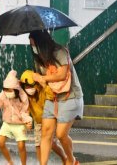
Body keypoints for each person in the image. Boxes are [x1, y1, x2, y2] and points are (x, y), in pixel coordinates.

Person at [29, 30, 84, 165]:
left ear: (41, 42)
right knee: (46, 134)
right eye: (31, 45)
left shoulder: (60, 52)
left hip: (70, 97)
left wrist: (42, 78)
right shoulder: (39, 58)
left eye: (34, 44)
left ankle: (71, 160)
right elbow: (42, 80)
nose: (33, 47)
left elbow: (61, 75)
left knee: (60, 135)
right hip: (51, 97)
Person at [20, 70, 67, 164]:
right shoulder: (24, 96)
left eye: (31, 85)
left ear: (36, 84)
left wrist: (44, 85)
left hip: (50, 121)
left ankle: (64, 158)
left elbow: (51, 96)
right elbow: (24, 110)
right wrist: (26, 121)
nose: (29, 88)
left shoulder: (43, 90)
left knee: (52, 144)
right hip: (38, 122)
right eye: (26, 86)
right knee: (38, 144)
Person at [0, 70, 32, 165]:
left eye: (9, 90)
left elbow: (25, 110)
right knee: (0, 143)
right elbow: (0, 104)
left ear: (16, 89)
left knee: (21, 146)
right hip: (7, 123)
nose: (7, 92)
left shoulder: (23, 95)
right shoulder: (4, 94)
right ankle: (10, 162)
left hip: (19, 124)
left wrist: (27, 121)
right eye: (5, 89)